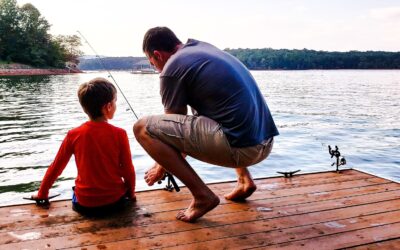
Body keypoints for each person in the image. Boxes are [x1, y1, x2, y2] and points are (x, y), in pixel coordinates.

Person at [134, 27, 279, 222]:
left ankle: (202, 196)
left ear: (157, 55)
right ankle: (244, 180)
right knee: (206, 112)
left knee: (142, 128)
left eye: (152, 64)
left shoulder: (172, 69)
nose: (156, 69)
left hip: (241, 150)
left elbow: (174, 137)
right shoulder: (204, 49)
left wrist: (160, 168)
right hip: (266, 143)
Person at [33, 77, 136, 216]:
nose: (116, 105)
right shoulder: (120, 134)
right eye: (115, 101)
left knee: (75, 190)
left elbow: (56, 167)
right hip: (115, 203)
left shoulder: (73, 134)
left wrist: (42, 194)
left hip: (84, 205)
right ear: (108, 107)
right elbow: (128, 170)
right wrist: (131, 194)